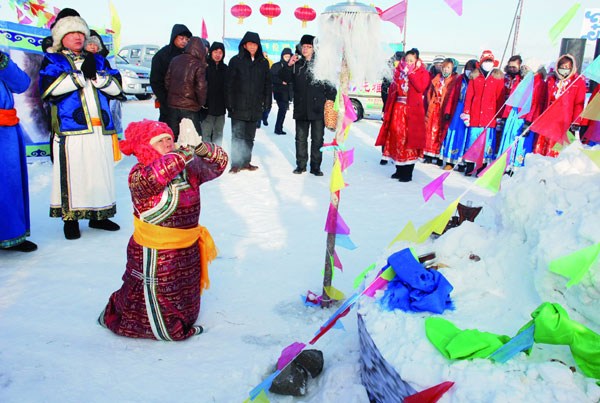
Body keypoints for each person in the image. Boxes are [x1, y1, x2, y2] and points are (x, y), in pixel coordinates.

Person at [99, 119, 228, 340]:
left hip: (187, 248)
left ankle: (183, 321)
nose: (168, 142)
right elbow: (157, 175)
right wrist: (185, 152)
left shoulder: (188, 171)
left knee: (184, 294)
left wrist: (199, 147)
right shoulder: (139, 174)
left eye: (169, 138)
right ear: (146, 146)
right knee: (157, 295)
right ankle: (161, 329)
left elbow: (220, 164)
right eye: (160, 141)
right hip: (155, 253)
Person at [40, 13, 124, 240]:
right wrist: (78, 77)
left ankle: (100, 216)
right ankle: (71, 219)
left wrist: (96, 77)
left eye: (81, 33)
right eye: (71, 34)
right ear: (61, 38)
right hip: (72, 129)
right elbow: (49, 90)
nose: (78, 38)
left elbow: (117, 88)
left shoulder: (98, 60)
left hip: (100, 129)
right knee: (74, 174)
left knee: (99, 173)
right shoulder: (53, 60)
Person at [280, 35, 337, 176]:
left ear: (314, 48)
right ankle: (301, 165)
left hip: (317, 109)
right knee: (300, 138)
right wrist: (289, 65)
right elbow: (284, 78)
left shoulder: (321, 65)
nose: (305, 49)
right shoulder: (296, 64)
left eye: (309, 47)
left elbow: (330, 86)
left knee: (317, 139)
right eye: (303, 46)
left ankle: (316, 167)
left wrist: (330, 102)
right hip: (300, 108)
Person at [375, 48, 430, 182]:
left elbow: (420, 87)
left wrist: (411, 74)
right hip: (398, 110)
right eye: (407, 60)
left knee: (409, 141)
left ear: (417, 61)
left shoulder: (422, 73)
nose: (409, 63)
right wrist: (387, 109)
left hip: (412, 113)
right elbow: (393, 91)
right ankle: (399, 169)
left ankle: (408, 172)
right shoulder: (399, 72)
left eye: (412, 61)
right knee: (396, 139)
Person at [0, 51, 37, 252]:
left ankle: (12, 234)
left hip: (6, 133)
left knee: (9, 183)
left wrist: (2, 62)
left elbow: (21, 84)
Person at [225, 31, 272, 173]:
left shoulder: (263, 63)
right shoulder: (236, 61)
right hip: (238, 105)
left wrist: (267, 102)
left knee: (249, 137)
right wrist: (230, 104)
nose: (252, 47)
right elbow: (229, 85)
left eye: (255, 44)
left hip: (255, 106)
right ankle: (236, 163)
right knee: (237, 137)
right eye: (250, 44)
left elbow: (267, 84)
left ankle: (246, 162)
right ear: (244, 45)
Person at [461, 50, 506, 175]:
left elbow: (500, 98)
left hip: (490, 118)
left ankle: (482, 168)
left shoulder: (497, 78)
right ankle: (469, 167)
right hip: (475, 117)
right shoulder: (475, 77)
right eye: (486, 61)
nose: (488, 63)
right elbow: (469, 96)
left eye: (490, 61)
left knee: (487, 144)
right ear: (481, 62)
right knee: (472, 142)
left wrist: (499, 117)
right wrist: (467, 113)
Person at [533, 54, 586, 158]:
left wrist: (576, 121)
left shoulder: (577, 82)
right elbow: (543, 99)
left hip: (563, 120)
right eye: (562, 67)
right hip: (548, 118)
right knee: (542, 144)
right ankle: (539, 162)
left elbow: (578, 104)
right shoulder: (551, 80)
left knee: (558, 146)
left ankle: (554, 162)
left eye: (567, 67)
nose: (564, 69)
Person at [164, 36, 207, 142]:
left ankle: (170, 158)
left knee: (172, 137)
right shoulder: (198, 65)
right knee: (194, 138)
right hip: (190, 107)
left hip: (173, 105)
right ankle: (193, 158)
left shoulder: (175, 60)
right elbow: (201, 87)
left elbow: (167, 81)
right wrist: (201, 103)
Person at [496, 55, 535, 169]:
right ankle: (504, 164)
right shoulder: (516, 81)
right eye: (523, 68)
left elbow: (535, 104)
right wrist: (504, 117)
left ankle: (516, 165)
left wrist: (529, 120)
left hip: (523, 115)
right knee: (507, 138)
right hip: (511, 114)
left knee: (519, 140)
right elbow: (510, 101)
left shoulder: (536, 83)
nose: (524, 71)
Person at [439, 59, 478, 170]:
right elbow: (452, 96)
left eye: (472, 69)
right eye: (468, 69)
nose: (469, 71)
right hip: (457, 109)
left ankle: (461, 162)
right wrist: (448, 111)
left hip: (469, 111)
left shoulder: (476, 80)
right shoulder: (460, 79)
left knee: (465, 136)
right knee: (453, 133)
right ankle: (450, 160)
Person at [150, 24, 192, 123]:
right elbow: (155, 81)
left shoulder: (188, 56)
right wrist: (165, 101)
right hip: (168, 105)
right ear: (174, 37)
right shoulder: (162, 56)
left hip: (186, 105)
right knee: (169, 133)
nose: (184, 42)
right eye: (181, 38)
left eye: (187, 40)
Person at [424, 58, 460, 164]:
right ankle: (429, 154)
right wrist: (431, 102)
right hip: (435, 107)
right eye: (444, 67)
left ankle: (439, 155)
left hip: (445, 109)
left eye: (448, 67)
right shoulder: (437, 78)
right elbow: (430, 92)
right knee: (430, 131)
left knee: (441, 131)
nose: (445, 70)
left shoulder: (454, 80)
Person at [201, 41, 228, 145]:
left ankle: (216, 158)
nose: (218, 55)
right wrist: (203, 103)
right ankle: (205, 158)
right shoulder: (204, 67)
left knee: (218, 134)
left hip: (221, 108)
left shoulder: (225, 69)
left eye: (220, 52)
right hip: (207, 108)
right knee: (206, 135)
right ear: (211, 52)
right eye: (215, 52)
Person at [270, 47, 293, 135]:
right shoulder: (276, 66)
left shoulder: (292, 66)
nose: (287, 58)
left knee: (283, 111)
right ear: (282, 56)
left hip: (288, 92)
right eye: (285, 56)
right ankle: (278, 128)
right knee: (282, 109)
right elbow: (272, 77)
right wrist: (281, 82)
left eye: (288, 57)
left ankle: (279, 127)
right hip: (279, 91)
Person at [257, 51, 274, 128]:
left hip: (267, 87)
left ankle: (265, 118)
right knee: (258, 106)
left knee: (268, 107)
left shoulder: (269, 62)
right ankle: (258, 121)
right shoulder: (258, 61)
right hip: (258, 88)